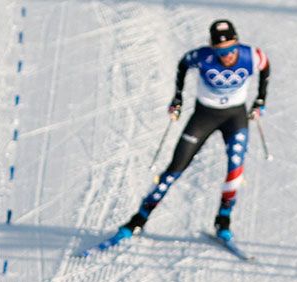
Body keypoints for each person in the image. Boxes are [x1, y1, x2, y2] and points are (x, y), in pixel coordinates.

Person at [110, 19, 268, 246]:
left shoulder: (252, 55)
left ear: (237, 44)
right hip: (204, 116)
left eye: (232, 49)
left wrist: (260, 99)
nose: (227, 56)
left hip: (235, 117)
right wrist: (178, 97)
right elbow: (183, 64)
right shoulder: (201, 57)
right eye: (221, 51)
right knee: (175, 168)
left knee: (236, 167)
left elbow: (265, 68)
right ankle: (139, 218)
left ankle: (223, 220)